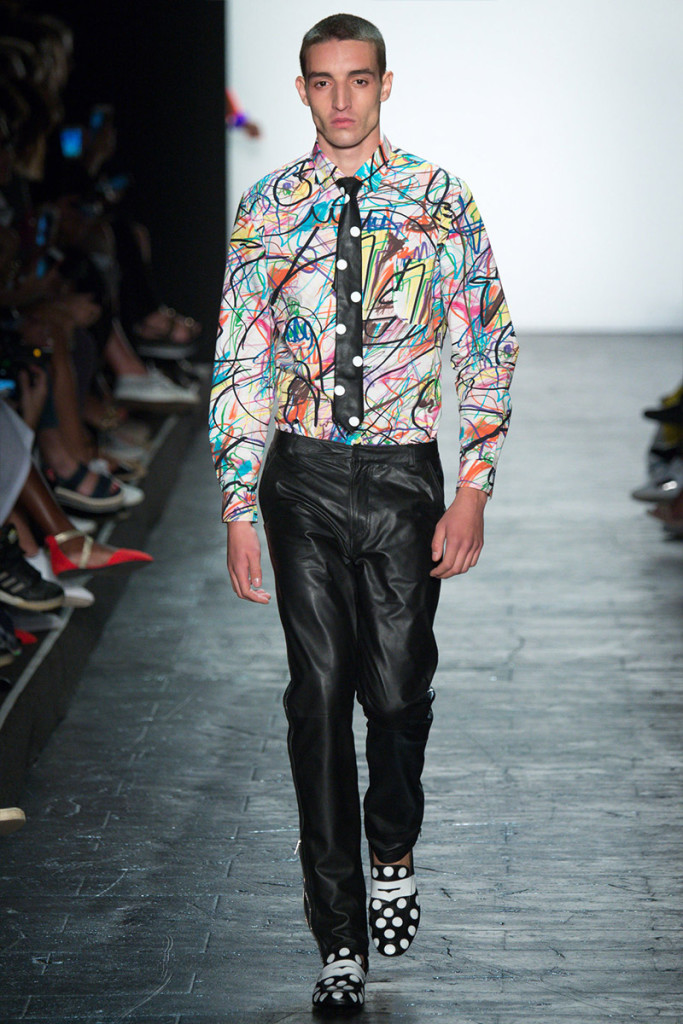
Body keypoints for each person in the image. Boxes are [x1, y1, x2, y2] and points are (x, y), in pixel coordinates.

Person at [209, 13, 518, 1015]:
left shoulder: (439, 199)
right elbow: (241, 354)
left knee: (393, 694)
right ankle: (338, 935)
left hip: (399, 477)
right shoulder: (267, 208)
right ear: (300, 89)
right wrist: (237, 503)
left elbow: (486, 340)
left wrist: (472, 487)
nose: (340, 99)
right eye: (322, 80)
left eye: (357, 79)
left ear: (386, 84)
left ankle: (393, 842)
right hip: (298, 475)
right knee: (316, 696)